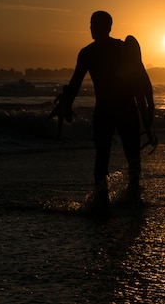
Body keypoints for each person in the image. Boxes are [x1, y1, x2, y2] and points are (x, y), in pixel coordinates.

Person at [54, 11, 151, 209]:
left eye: (95, 24)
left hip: (115, 109)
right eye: (90, 24)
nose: (91, 28)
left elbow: (140, 82)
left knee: (117, 154)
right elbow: (75, 84)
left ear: (107, 27)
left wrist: (147, 115)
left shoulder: (99, 51)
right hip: (117, 109)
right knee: (113, 155)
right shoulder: (95, 52)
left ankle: (119, 196)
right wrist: (66, 104)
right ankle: (110, 196)